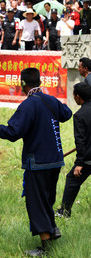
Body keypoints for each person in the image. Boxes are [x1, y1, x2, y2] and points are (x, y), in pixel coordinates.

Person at [0, 68, 72, 257]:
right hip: (56, 160)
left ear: (23, 84)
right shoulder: (50, 100)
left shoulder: (28, 105)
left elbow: (13, 132)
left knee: (36, 202)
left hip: (38, 162)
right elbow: (67, 114)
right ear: (39, 82)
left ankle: (46, 247)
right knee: (48, 198)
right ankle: (53, 229)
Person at [56, 83, 91, 218]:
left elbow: (81, 141)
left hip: (88, 159)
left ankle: (64, 212)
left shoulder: (80, 115)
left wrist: (79, 163)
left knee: (72, 179)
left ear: (78, 96)